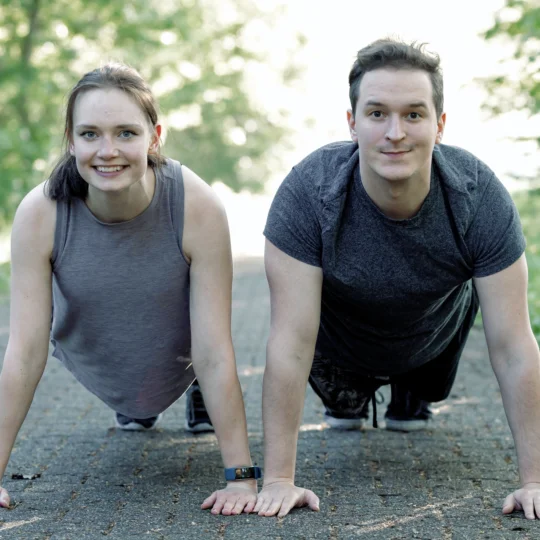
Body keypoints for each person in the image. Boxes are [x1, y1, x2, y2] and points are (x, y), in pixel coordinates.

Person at [254, 38, 540, 519]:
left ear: (439, 125)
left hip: (432, 337)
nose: (395, 133)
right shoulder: (308, 193)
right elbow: (290, 343)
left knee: (419, 395)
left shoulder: (479, 197)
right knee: (343, 407)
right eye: (377, 114)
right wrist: (278, 480)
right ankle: (351, 396)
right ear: (352, 123)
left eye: (413, 114)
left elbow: (514, 346)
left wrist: (536, 481)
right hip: (340, 343)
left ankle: (410, 389)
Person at [0, 63, 261, 516]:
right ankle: (137, 400)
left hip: (180, 352)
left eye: (126, 133)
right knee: (138, 406)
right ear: (71, 140)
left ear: (154, 137)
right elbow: (23, 352)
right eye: (90, 134)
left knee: (201, 364)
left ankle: (193, 392)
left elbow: (215, 351)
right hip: (100, 349)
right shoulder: (40, 213)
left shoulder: (197, 206)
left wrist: (240, 478)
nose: (108, 151)